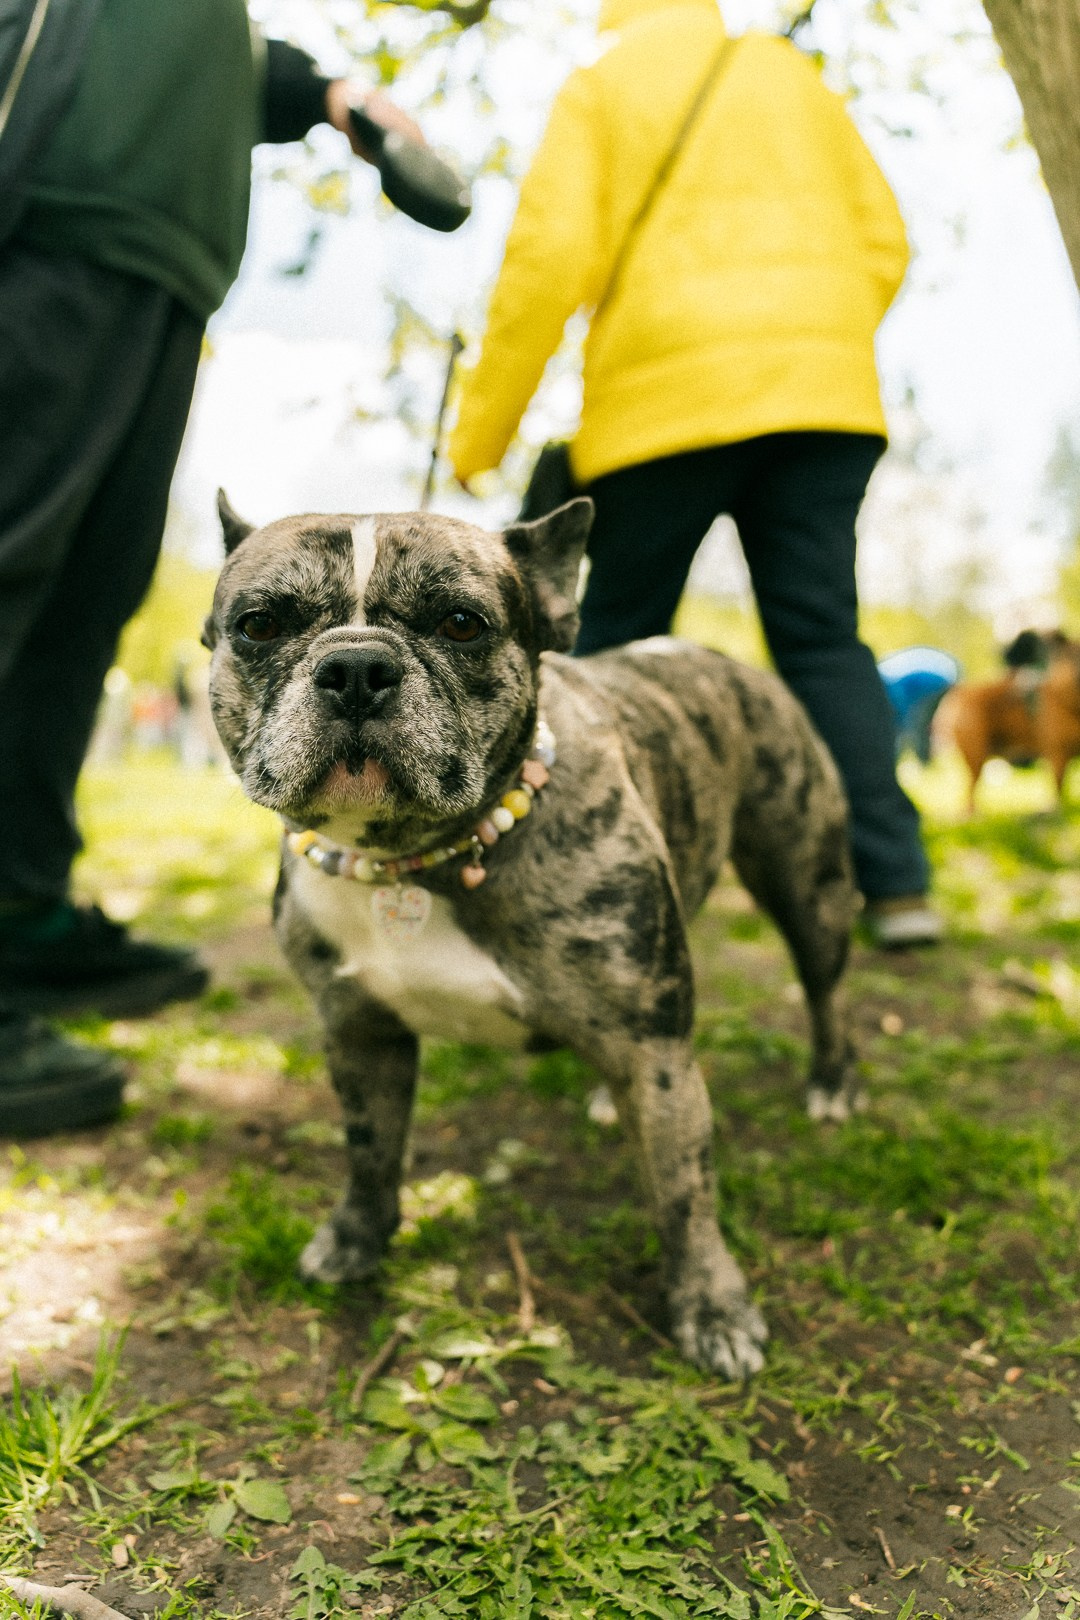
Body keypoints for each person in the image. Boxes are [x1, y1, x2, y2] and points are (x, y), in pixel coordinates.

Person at [0, 0, 424, 1135]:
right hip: (41, 225)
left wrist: (324, 94)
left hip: (162, 266)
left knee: (81, 602)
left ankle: (20, 918)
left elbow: (206, 45)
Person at [448, 0, 941, 952]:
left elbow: (549, 258)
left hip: (661, 407)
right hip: (822, 402)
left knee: (615, 641)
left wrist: (483, 436)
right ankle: (896, 886)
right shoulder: (786, 72)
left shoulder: (602, 83)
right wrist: (809, 342)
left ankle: (566, 874)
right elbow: (885, 240)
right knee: (824, 641)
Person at [877, 647, 960, 763]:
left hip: (935, 683)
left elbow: (901, 711)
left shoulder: (884, 684)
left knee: (916, 727)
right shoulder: (883, 677)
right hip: (942, 673)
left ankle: (925, 762)